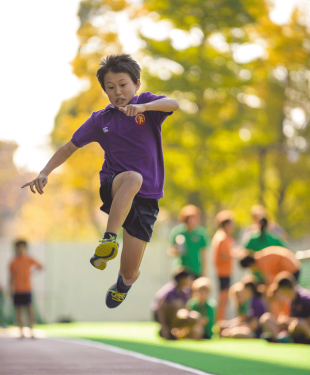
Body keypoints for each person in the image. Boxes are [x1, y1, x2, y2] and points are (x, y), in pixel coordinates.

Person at [22, 54, 179, 309]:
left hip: (147, 199)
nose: (117, 92)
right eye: (110, 87)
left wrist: (143, 108)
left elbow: (174, 104)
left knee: (130, 271)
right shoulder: (100, 119)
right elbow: (68, 147)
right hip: (115, 184)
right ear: (104, 90)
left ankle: (123, 284)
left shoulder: (148, 106)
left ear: (136, 84)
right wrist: (44, 172)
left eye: (123, 84)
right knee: (132, 178)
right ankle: (108, 239)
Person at [260, 272, 310, 344]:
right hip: (293, 329)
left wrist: (289, 320)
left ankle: (286, 339)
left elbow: (304, 322)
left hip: (305, 329)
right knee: (266, 318)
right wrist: (285, 320)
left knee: (298, 324)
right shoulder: (291, 300)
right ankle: (279, 339)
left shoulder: (305, 298)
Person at [9, 240, 43, 338]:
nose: (20, 249)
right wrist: (10, 289)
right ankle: (21, 332)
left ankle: (32, 331)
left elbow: (40, 266)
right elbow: (11, 277)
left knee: (29, 310)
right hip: (17, 289)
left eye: (22, 247)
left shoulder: (28, 259)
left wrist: (31, 272)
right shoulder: (13, 262)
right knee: (19, 311)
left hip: (27, 288)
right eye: (18, 247)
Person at [168, 205, 209, 279]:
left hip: (196, 270)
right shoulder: (178, 232)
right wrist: (176, 250)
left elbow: (204, 254)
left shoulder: (201, 233)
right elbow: (170, 251)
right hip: (181, 270)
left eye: (193, 217)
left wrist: (204, 272)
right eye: (188, 218)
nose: (191, 221)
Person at [155, 267, 192, 340]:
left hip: (175, 315)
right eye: (188, 278)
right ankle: (168, 329)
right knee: (176, 304)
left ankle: (179, 332)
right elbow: (159, 309)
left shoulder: (185, 292)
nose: (189, 281)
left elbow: (186, 309)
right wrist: (163, 327)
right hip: (160, 315)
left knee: (192, 316)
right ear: (182, 279)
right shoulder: (169, 291)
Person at [211, 210, 234, 321]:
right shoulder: (222, 237)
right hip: (223, 272)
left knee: (224, 299)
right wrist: (235, 254)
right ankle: (220, 323)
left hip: (224, 271)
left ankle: (221, 321)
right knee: (223, 299)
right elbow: (223, 255)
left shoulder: (222, 236)